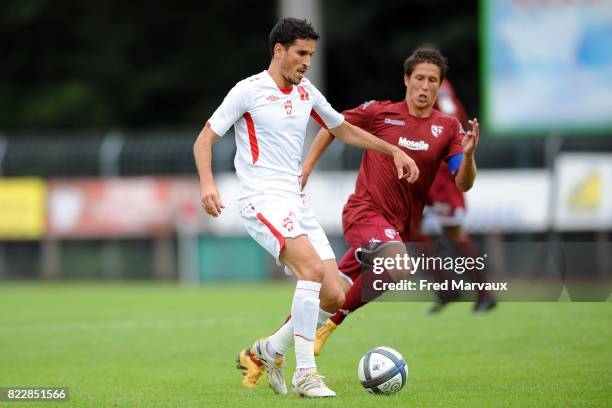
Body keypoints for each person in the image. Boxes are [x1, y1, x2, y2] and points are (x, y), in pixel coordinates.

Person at [193, 18, 419, 398]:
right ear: (279, 50)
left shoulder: (306, 91)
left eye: (311, 55)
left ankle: (269, 350)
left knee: (334, 296)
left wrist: (392, 148)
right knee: (311, 271)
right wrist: (207, 184)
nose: (306, 62)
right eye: (301, 54)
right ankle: (306, 374)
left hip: (296, 202)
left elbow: (342, 128)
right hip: (261, 198)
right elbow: (204, 139)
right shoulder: (248, 91)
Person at [297, 48, 480, 356]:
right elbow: (333, 125)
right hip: (364, 212)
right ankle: (332, 325)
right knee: (398, 265)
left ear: (440, 85)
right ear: (406, 80)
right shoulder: (380, 113)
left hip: (398, 228)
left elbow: (463, 182)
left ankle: (263, 352)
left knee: (333, 292)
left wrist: (470, 154)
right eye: (419, 78)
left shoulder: (448, 127)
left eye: (432, 80)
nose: (424, 86)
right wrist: (307, 167)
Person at [420, 77, 497, 313]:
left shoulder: (440, 89)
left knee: (452, 230)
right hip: (423, 171)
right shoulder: (421, 88)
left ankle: (485, 294)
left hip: (443, 173)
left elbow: (452, 117)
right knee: (409, 228)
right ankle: (446, 287)